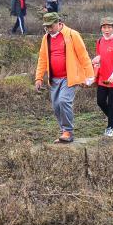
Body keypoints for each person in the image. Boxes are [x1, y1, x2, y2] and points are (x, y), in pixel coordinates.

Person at [34, 12, 93, 143]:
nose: (49, 29)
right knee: (56, 106)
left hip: (70, 77)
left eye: (51, 26)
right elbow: (42, 59)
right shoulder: (46, 38)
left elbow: (84, 56)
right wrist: (38, 78)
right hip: (54, 79)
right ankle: (63, 131)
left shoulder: (72, 35)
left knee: (63, 101)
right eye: (46, 27)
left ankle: (68, 132)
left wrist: (90, 75)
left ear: (59, 23)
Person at [91, 17, 113, 136]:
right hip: (103, 78)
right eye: (104, 27)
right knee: (100, 101)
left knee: (112, 103)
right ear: (101, 28)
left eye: (109, 27)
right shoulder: (99, 41)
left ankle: (110, 127)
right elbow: (100, 57)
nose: (107, 30)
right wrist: (96, 60)